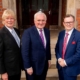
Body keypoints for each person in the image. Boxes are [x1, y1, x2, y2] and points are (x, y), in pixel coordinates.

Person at [21, 11, 51, 80]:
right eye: (38, 20)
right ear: (34, 21)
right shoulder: (28, 32)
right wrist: (28, 66)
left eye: (43, 20)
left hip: (44, 65)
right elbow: (25, 51)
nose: (41, 22)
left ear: (45, 21)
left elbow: (47, 47)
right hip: (32, 66)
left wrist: (49, 59)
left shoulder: (47, 31)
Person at [55, 14, 80, 80]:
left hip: (71, 69)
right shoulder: (61, 33)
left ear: (74, 22)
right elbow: (57, 48)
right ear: (63, 23)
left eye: (70, 22)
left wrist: (65, 62)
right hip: (60, 67)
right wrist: (59, 58)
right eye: (66, 22)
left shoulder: (78, 35)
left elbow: (78, 54)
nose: (68, 24)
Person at [0, 9, 22, 80]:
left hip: (17, 68)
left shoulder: (16, 31)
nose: (10, 20)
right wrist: (3, 72)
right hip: (8, 71)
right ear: (3, 20)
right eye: (7, 18)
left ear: (14, 20)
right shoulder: (1, 34)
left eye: (12, 18)